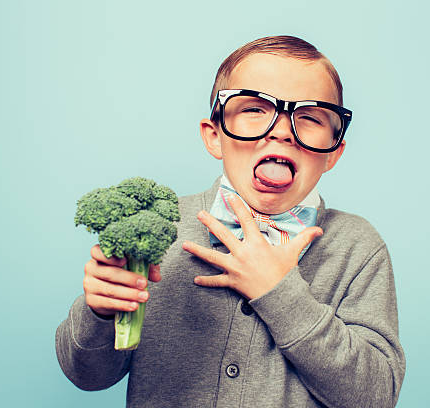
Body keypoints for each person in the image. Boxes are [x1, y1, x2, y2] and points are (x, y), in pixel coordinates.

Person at [56, 35, 406, 407]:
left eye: (309, 117)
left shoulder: (357, 248)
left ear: (333, 151)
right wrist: (100, 311)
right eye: (255, 109)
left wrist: (280, 292)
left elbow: (375, 396)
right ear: (214, 136)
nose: (282, 131)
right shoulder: (160, 230)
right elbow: (87, 375)